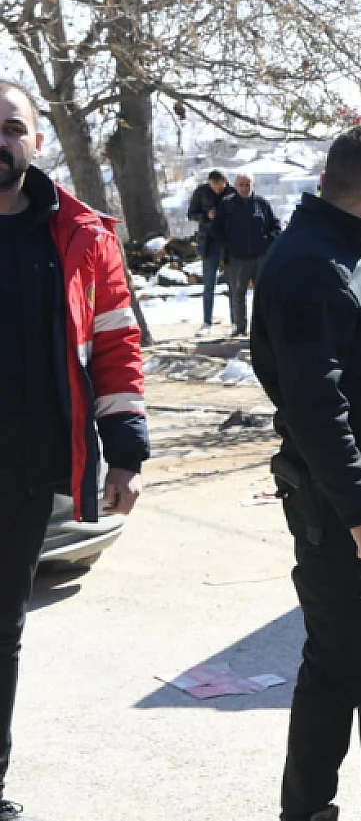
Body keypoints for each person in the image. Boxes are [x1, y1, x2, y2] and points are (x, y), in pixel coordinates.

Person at [251, 125, 361, 821]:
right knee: (341, 669)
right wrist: (360, 510)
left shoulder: (349, 251)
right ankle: (307, 811)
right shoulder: (310, 265)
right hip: (342, 508)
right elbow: (314, 405)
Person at [0, 81, 148, 821]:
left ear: (36, 140)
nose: (0, 140)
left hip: (26, 474)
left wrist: (126, 454)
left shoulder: (81, 235)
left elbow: (116, 344)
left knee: (3, 632)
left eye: (11, 127)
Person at [218, 173, 281, 338]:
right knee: (238, 294)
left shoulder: (261, 204)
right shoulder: (227, 205)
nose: (245, 188)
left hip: (260, 257)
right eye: (241, 185)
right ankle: (240, 327)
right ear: (235, 186)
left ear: (253, 186)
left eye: (248, 185)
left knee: (262, 295)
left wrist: (267, 242)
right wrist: (228, 246)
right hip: (237, 259)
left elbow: (275, 226)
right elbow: (217, 229)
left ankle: (263, 329)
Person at [187, 168, 229, 332]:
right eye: (213, 185)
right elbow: (191, 214)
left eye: (219, 185)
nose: (216, 189)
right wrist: (206, 216)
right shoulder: (201, 192)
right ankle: (207, 321)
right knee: (209, 284)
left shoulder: (232, 193)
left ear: (225, 182)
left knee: (233, 284)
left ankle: (236, 321)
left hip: (228, 242)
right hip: (209, 242)